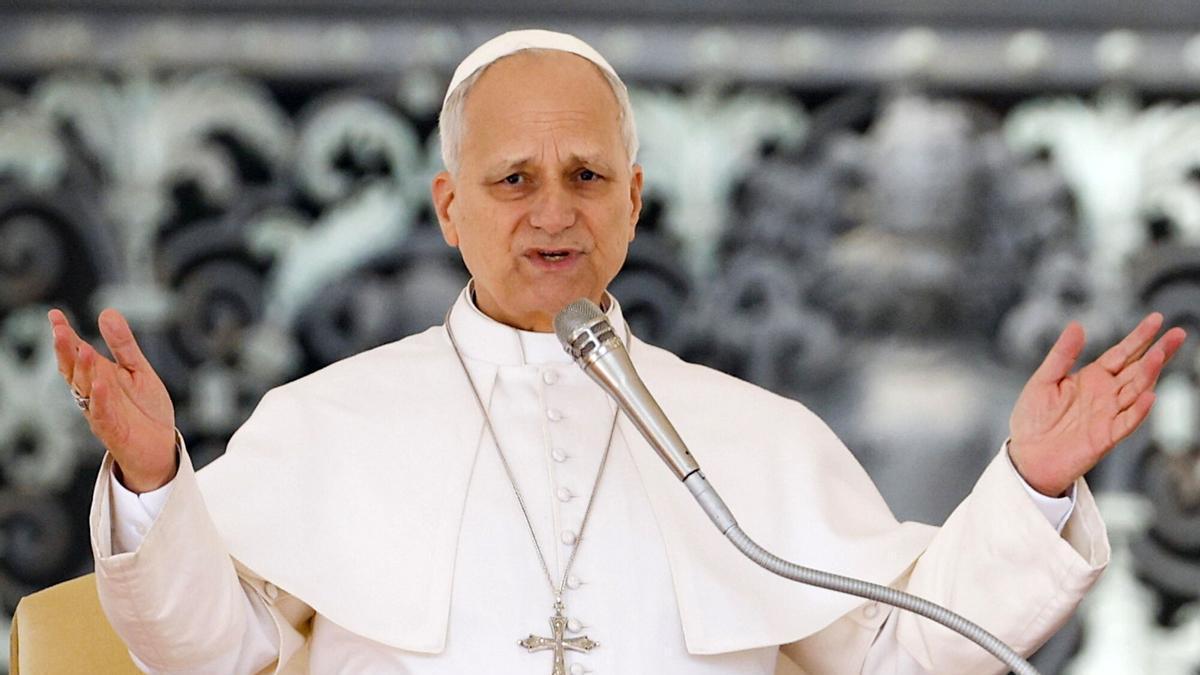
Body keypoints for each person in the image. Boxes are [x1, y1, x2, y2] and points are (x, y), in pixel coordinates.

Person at [48, 29, 1185, 675]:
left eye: (586, 176)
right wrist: (152, 482)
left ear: (633, 202)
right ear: (449, 208)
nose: (555, 212)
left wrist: (1030, 484)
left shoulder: (750, 435)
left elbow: (903, 656)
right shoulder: (327, 422)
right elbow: (208, 653)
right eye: (513, 179)